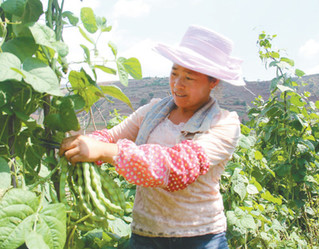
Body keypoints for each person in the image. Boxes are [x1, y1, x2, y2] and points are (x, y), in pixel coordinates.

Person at [60, 25, 246, 249]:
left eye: (189, 77)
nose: (177, 84)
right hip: (145, 235)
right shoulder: (153, 111)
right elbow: (110, 136)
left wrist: (108, 152)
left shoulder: (224, 123)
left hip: (200, 238)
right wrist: (81, 142)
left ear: (213, 81)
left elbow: (179, 167)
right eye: (174, 73)